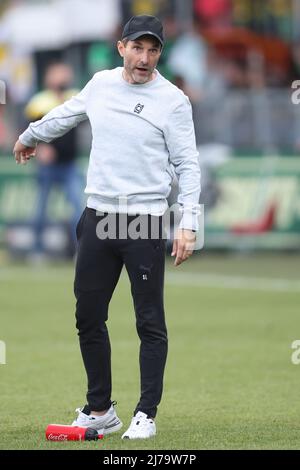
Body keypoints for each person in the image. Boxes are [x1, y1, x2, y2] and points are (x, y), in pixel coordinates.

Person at [13, 15, 201, 440]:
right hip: (98, 217)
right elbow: (67, 113)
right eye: (138, 48)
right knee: (88, 315)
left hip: (145, 220)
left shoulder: (173, 101)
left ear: (160, 55)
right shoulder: (100, 84)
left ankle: (145, 414)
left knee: (148, 320)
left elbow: (188, 165)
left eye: (153, 50)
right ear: (121, 48)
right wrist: (31, 135)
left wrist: (189, 223)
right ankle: (100, 409)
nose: (145, 58)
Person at [24, 63, 83, 258]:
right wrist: (39, 148)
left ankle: (80, 250)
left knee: (78, 207)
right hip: (48, 166)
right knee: (41, 209)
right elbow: (28, 130)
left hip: (69, 164)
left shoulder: (74, 96)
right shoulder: (39, 101)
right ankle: (37, 249)